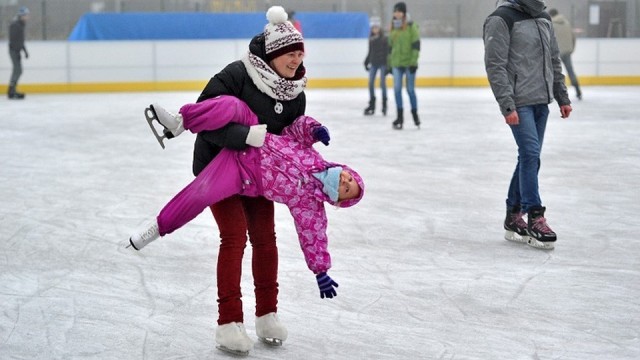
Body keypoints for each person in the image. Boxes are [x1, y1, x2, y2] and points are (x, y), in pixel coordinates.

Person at [129, 96, 364, 353]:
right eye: (349, 178)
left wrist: (321, 270)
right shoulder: (313, 154)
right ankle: (181, 121)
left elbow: (314, 237)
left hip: (244, 174)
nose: (344, 181)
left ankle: (159, 226)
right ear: (346, 169)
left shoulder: (311, 207)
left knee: (200, 193)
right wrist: (315, 129)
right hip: (255, 135)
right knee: (233, 105)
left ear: (339, 200)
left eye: (346, 189)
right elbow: (296, 127)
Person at [142, 5, 305, 355]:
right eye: (290, 54)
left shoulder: (295, 95)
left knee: (265, 237)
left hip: (257, 177)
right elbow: (206, 123)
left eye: (299, 54)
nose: (296, 61)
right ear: (274, 52)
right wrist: (245, 136)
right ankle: (228, 323)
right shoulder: (236, 74)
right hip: (218, 167)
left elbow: (287, 142)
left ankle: (267, 314)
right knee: (234, 236)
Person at [484, 0, 572, 250]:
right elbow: (495, 65)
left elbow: (554, 60)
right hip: (519, 101)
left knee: (529, 158)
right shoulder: (501, 18)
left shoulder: (543, 18)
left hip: (541, 101)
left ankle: (513, 215)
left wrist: (562, 96)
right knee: (531, 154)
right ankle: (535, 215)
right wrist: (507, 104)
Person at [388, 2, 421, 130]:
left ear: (404, 13)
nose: (397, 14)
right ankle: (400, 117)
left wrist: (413, 62)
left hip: (409, 64)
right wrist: (389, 64)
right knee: (397, 90)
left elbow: (416, 45)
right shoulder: (393, 26)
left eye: (399, 11)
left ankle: (415, 114)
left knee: (410, 90)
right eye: (395, 11)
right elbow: (390, 47)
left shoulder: (411, 26)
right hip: (397, 63)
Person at [549, 8, 582, 100]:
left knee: (555, 73)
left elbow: (549, 39)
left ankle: (557, 93)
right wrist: (571, 49)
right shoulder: (567, 23)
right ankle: (578, 91)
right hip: (567, 52)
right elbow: (573, 37)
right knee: (571, 72)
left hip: (556, 53)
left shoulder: (552, 24)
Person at [363, 16, 389, 116]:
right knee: (370, 84)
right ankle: (372, 104)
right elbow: (370, 51)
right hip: (373, 63)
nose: (375, 30)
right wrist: (366, 61)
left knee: (382, 84)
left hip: (382, 63)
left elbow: (388, 53)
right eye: (373, 28)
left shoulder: (385, 39)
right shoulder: (371, 39)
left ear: (379, 28)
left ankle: (384, 105)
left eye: (376, 28)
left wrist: (387, 66)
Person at [7, 6, 29, 100]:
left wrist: (24, 51)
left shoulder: (20, 24)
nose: (27, 17)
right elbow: (14, 39)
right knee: (17, 70)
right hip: (14, 50)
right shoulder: (16, 25)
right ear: (22, 15)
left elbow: (21, 40)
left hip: (16, 50)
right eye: (26, 15)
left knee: (18, 70)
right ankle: (11, 90)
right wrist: (17, 51)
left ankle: (12, 89)